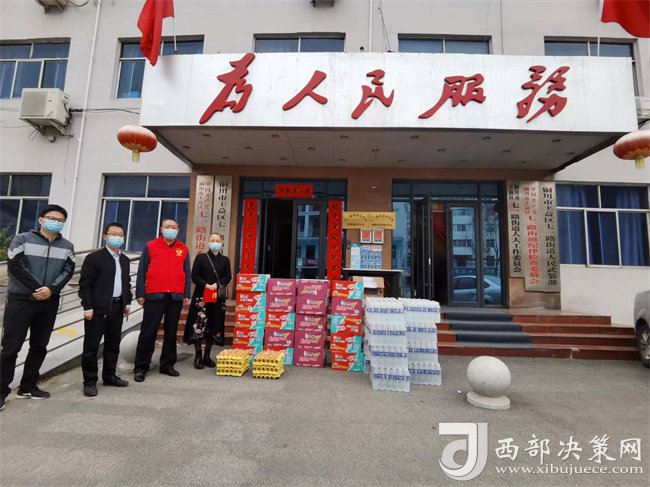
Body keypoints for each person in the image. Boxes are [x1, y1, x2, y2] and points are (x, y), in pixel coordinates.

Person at [0, 204, 75, 411]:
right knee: (11, 348)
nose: (56, 222)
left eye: (60, 220)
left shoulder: (67, 246)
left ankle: (28, 386)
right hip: (21, 300)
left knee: (39, 346)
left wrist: (51, 289)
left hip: (49, 301)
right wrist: (38, 288)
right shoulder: (22, 239)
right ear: (41, 220)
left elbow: (69, 270)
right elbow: (15, 266)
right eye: (52, 218)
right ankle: (1, 390)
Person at [78, 222, 133, 397]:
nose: (117, 237)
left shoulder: (124, 260)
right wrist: (88, 306)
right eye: (113, 234)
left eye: (120, 235)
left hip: (117, 307)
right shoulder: (94, 258)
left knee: (113, 345)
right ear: (105, 236)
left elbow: (126, 283)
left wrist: (127, 302)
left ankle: (109, 376)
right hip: (97, 309)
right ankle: (89, 381)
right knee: (91, 347)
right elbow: (85, 285)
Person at [133, 218, 191, 382]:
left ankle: (167, 364)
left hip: (175, 296)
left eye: (173, 227)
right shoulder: (151, 246)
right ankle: (141, 367)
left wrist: (187, 294)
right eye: (167, 227)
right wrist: (140, 293)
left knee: (171, 332)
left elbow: (186, 272)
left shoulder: (183, 249)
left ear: (178, 230)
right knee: (148, 331)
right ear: (161, 229)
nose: (170, 229)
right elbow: (142, 270)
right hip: (154, 294)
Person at [183, 233, 231, 369]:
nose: (215, 242)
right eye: (212, 240)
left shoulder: (225, 260)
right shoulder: (201, 258)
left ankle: (207, 356)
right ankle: (198, 355)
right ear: (208, 242)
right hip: (201, 296)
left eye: (217, 240)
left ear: (221, 243)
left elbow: (228, 276)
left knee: (213, 325)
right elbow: (194, 275)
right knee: (199, 325)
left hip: (217, 298)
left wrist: (217, 284)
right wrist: (206, 285)